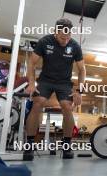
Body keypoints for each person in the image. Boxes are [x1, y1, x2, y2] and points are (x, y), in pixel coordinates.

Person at [24, 18, 86, 160]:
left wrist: (79, 90)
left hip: (64, 83)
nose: (65, 40)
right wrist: (32, 83)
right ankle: (29, 146)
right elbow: (32, 63)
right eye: (62, 37)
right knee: (37, 102)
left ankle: (66, 146)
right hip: (46, 80)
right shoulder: (45, 42)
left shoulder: (75, 46)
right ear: (55, 32)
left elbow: (82, 69)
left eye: (68, 37)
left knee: (67, 106)